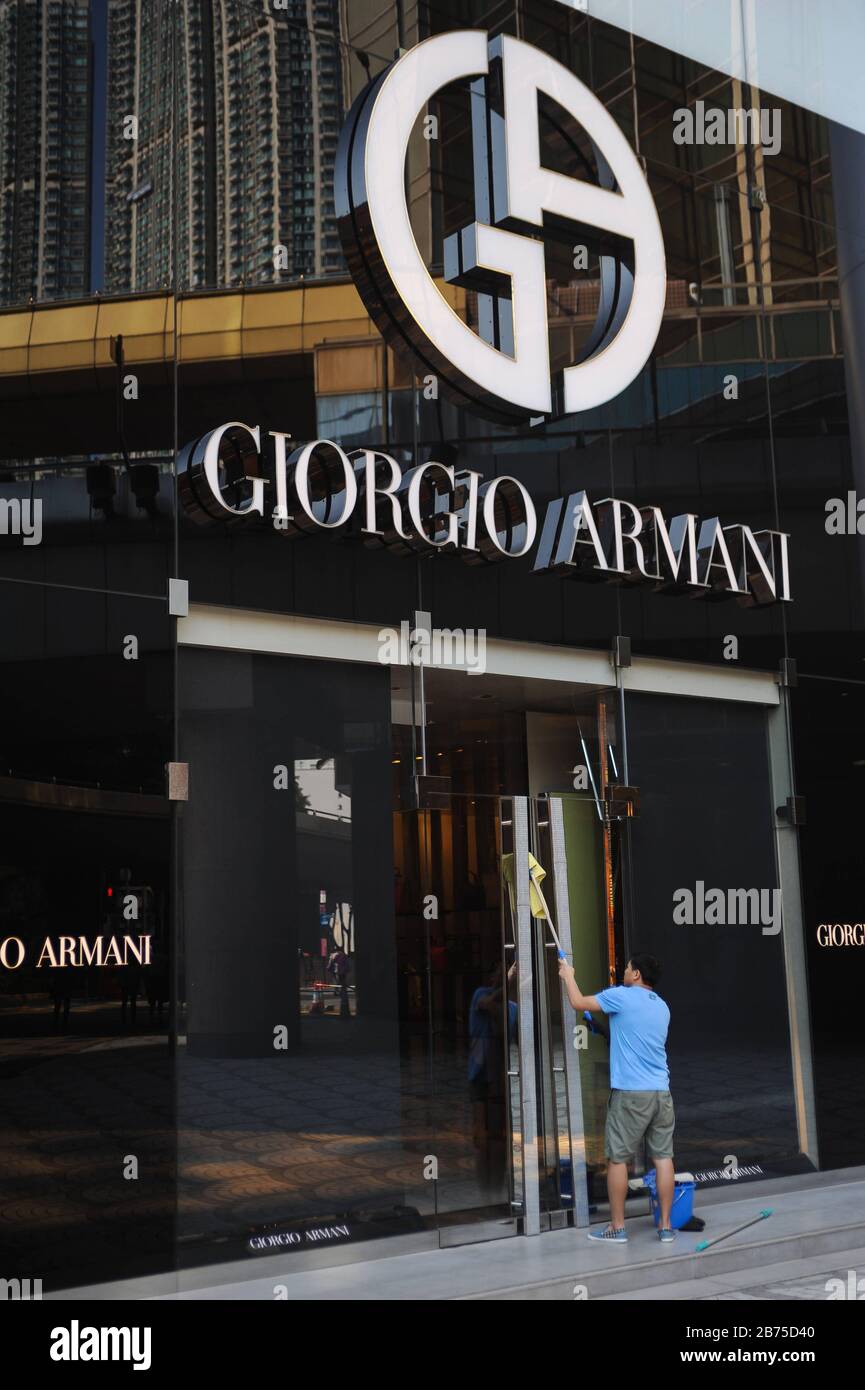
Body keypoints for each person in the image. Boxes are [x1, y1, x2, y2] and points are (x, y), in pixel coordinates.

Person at [558, 951, 675, 1243]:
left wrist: (568, 975)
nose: (623, 971)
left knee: (618, 1160)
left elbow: (577, 1001)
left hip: (631, 1095)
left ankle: (617, 1227)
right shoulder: (662, 1007)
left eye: (627, 968)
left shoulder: (622, 996)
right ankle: (665, 1226)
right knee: (663, 1158)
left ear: (636, 975)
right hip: (662, 1093)